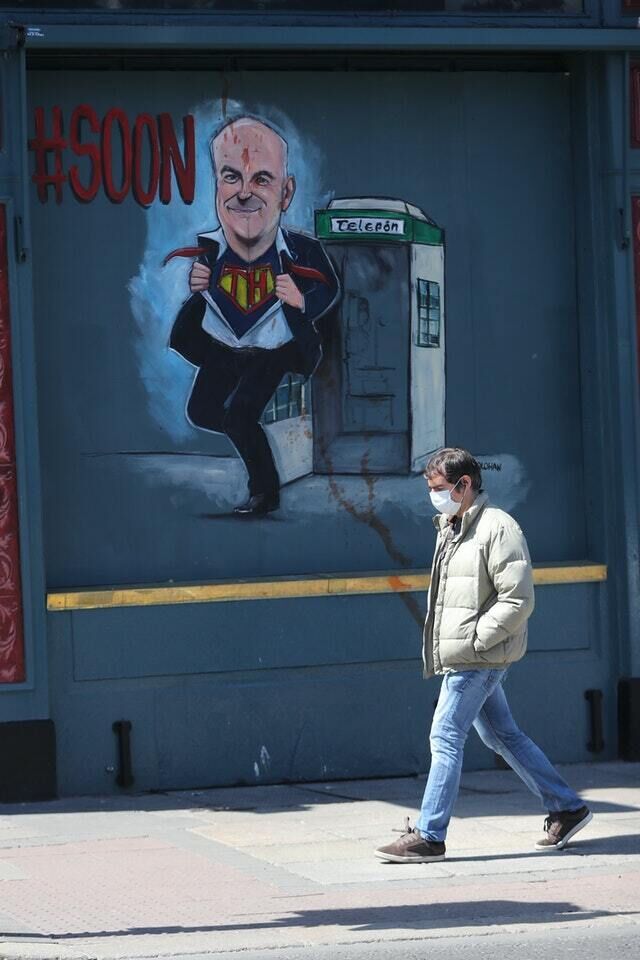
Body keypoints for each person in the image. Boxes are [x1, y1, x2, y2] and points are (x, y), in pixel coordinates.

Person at [375, 447, 592, 863]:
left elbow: (518, 598)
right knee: (500, 733)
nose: (434, 496)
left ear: (465, 485)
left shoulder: (498, 528)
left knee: (445, 734)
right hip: (467, 653)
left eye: (439, 488)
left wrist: (477, 641)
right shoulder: (452, 526)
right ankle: (566, 807)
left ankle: (429, 834)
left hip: (478, 655)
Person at [169, 115, 339, 517]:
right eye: (231, 177)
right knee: (202, 412)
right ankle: (258, 436)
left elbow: (329, 287)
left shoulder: (302, 250)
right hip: (226, 347)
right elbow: (207, 305)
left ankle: (265, 492)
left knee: (238, 417)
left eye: (261, 179)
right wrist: (199, 286)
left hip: (275, 348)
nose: (244, 193)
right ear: (217, 185)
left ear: (286, 192)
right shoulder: (209, 250)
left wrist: (301, 300)